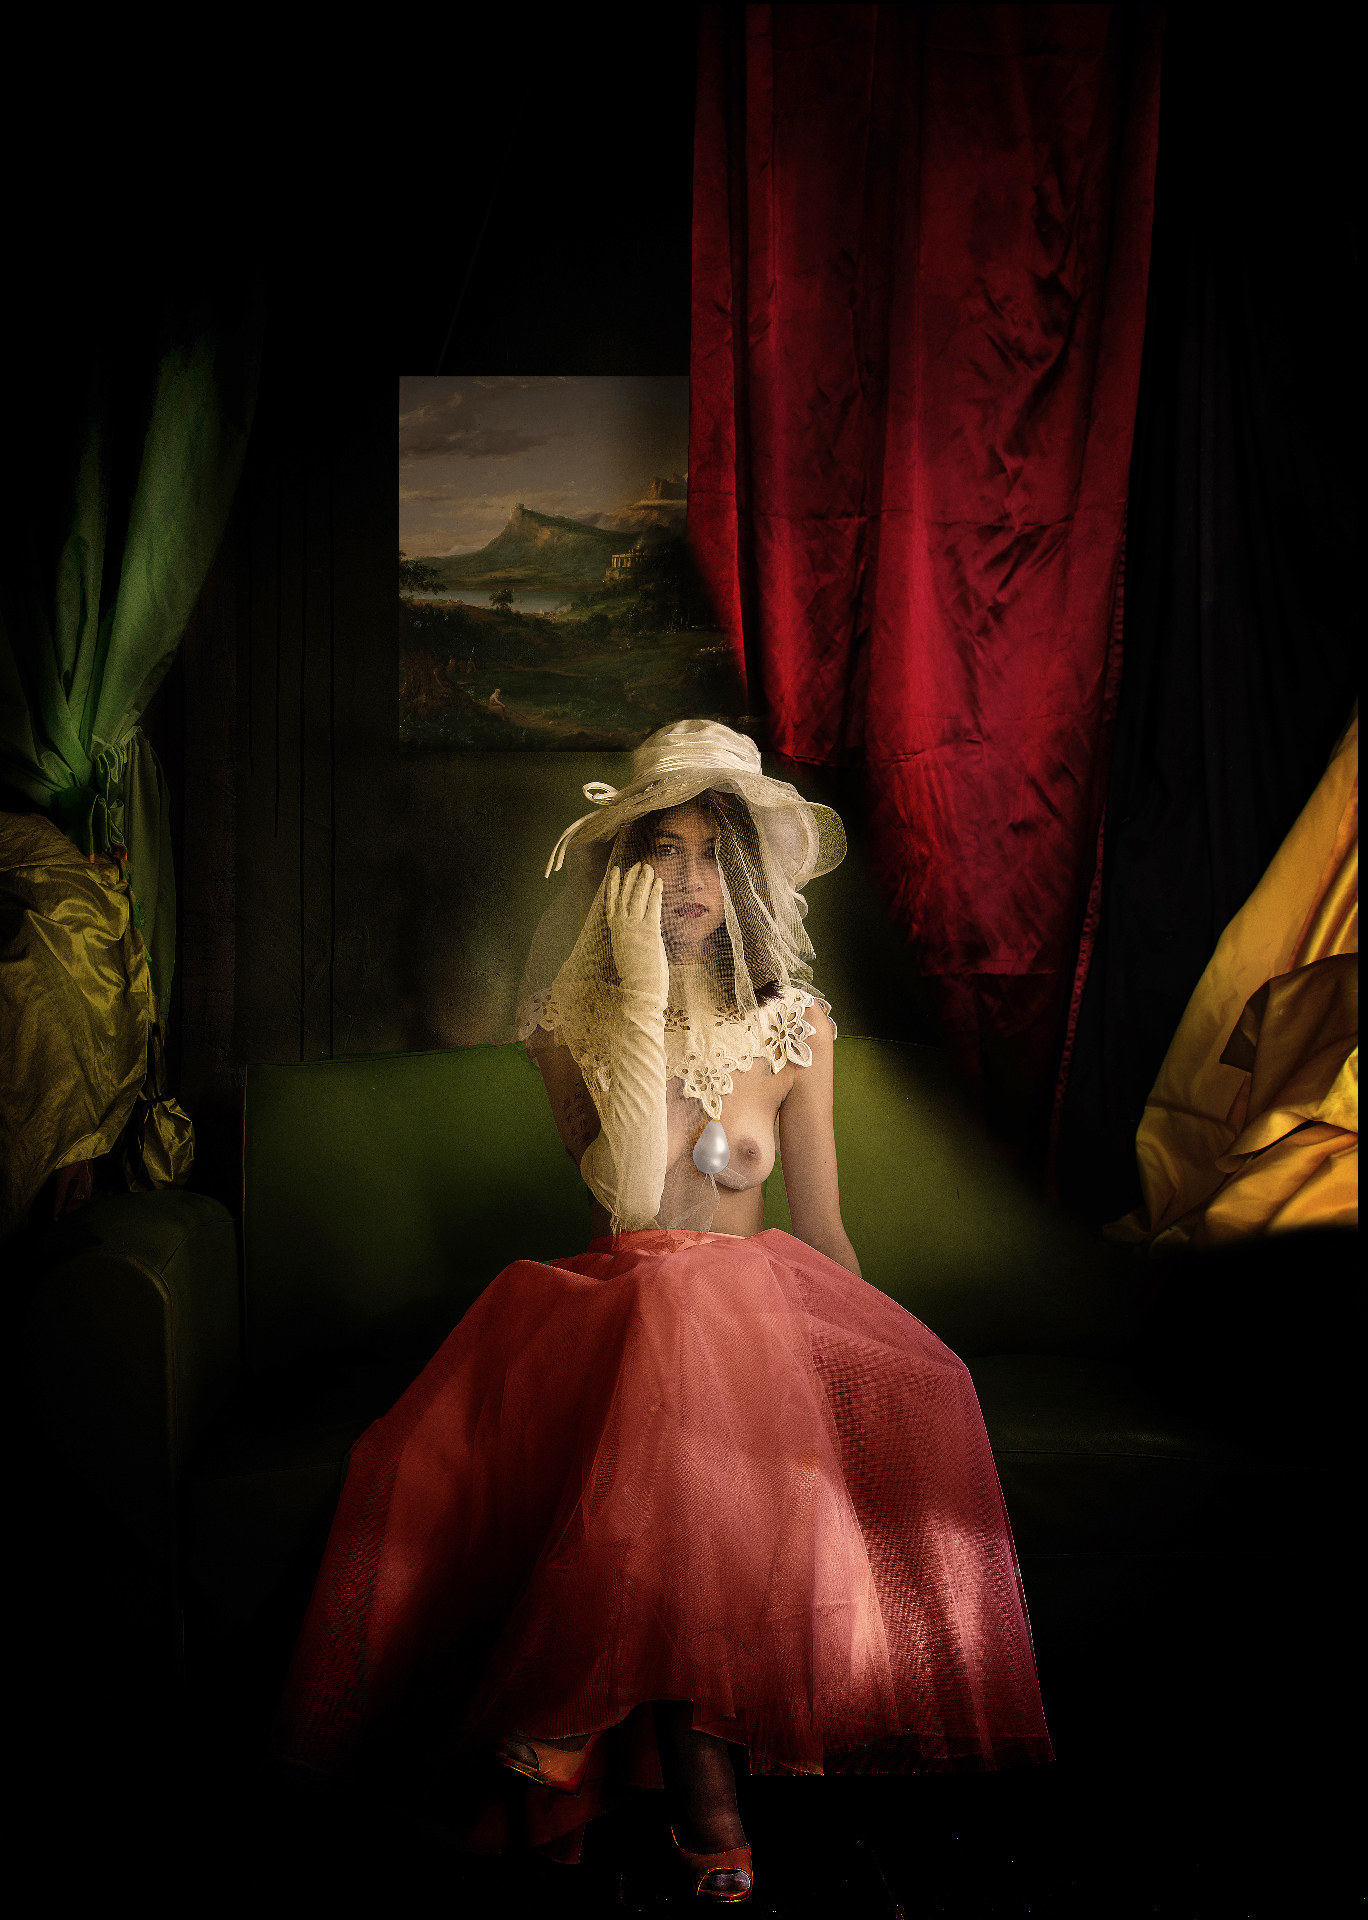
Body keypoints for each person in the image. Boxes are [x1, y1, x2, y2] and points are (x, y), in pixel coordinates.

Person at [272, 721, 1052, 1904]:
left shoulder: (797, 1025)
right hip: (612, 1315)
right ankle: (697, 1795)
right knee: (670, 1291)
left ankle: (585, 1719)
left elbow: (824, 1228)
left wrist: (864, 1361)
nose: (689, 880)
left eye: (712, 853)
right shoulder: (567, 1020)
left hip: (749, 1327)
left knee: (716, 1324)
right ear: (622, 870)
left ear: (748, 876)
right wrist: (638, 997)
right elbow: (635, 1201)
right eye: (662, 850)